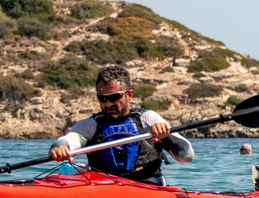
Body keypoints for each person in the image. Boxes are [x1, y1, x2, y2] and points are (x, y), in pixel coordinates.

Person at [49, 65, 194, 186]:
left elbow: (187, 156)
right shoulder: (90, 125)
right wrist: (60, 148)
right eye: (102, 98)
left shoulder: (148, 118)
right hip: (106, 190)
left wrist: (165, 137)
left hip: (148, 188)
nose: (108, 104)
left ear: (129, 95)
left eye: (114, 97)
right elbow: (70, 139)